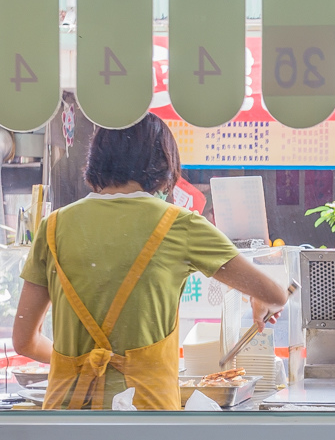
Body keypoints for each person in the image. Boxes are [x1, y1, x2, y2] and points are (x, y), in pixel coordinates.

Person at [13, 113, 289, 410]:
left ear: (96, 160)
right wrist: (257, 297)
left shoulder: (53, 227)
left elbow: (25, 342)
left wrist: (83, 364)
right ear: (162, 165)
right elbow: (274, 294)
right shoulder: (179, 224)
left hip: (65, 415)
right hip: (145, 413)